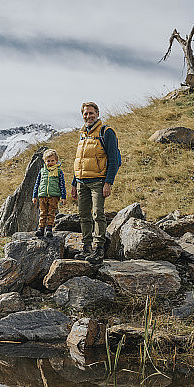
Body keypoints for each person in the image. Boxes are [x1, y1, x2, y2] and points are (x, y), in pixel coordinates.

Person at [71, 101, 120, 265]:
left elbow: (114, 160)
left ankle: (99, 250)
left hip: (98, 182)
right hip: (81, 183)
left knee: (98, 214)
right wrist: (73, 183)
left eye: (91, 113)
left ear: (97, 114)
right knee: (84, 216)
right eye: (85, 113)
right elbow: (80, 160)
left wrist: (109, 182)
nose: (88, 116)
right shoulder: (82, 135)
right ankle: (86, 248)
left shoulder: (106, 132)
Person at [32, 148, 66, 238]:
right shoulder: (42, 171)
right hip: (42, 196)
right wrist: (34, 196)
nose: (50, 163)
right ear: (44, 161)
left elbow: (62, 185)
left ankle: (49, 228)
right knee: (43, 212)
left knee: (51, 213)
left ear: (56, 161)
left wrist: (63, 197)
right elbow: (37, 183)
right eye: (48, 161)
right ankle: (41, 228)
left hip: (54, 196)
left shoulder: (59, 172)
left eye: (52, 161)